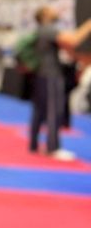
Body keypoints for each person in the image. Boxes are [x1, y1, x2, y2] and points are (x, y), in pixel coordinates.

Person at [24, 8, 91, 160]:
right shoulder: (48, 29)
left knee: (40, 110)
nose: (55, 11)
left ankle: (34, 144)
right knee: (54, 110)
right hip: (51, 75)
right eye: (50, 10)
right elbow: (73, 40)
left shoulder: (42, 31)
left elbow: (69, 50)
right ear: (44, 15)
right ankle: (53, 147)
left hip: (42, 75)